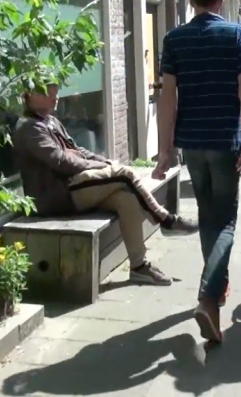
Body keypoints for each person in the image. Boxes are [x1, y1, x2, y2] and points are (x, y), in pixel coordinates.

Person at [153, 0, 241, 344]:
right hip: (225, 140)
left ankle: (215, 292)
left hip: (192, 144)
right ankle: (207, 295)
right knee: (225, 221)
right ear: (219, 1)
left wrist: (165, 150)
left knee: (208, 217)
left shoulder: (174, 39)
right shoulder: (235, 35)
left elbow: (168, 98)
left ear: (193, 1)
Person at [12, 83, 197, 286]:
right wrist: (95, 164)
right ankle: (165, 220)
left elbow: (76, 151)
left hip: (73, 185)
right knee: (125, 174)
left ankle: (139, 267)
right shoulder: (29, 127)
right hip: (56, 196)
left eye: (56, 89)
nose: (55, 94)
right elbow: (61, 162)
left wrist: (101, 161)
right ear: (29, 96)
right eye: (48, 90)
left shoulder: (50, 121)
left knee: (126, 199)